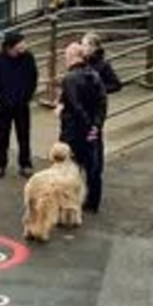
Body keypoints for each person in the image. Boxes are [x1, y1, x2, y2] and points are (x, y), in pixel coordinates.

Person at [57, 41, 107, 213]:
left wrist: (62, 111)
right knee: (94, 168)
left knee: (69, 168)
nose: (64, 60)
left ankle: (69, 204)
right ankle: (93, 203)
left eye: (65, 56)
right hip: (94, 130)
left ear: (72, 57)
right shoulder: (94, 74)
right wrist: (96, 126)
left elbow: (76, 107)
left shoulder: (69, 79)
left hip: (74, 131)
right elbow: (102, 103)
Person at [0, 30, 38, 179]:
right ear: (11, 46)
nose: (25, 44)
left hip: (22, 105)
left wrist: (27, 96)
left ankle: (25, 164)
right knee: (2, 136)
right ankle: (0, 164)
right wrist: (0, 98)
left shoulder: (28, 57)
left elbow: (33, 78)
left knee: (24, 135)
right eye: (22, 42)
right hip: (3, 106)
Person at [78, 32, 122, 189]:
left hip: (96, 110)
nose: (81, 47)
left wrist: (99, 88)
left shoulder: (103, 65)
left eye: (84, 44)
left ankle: (95, 177)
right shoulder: (82, 61)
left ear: (93, 47)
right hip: (82, 109)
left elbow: (116, 84)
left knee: (95, 143)